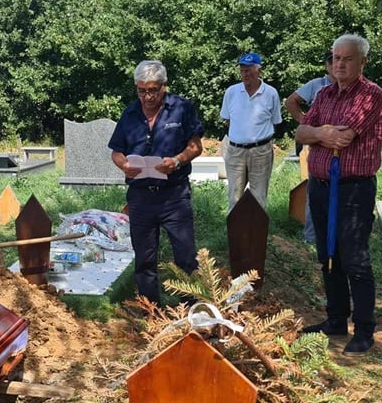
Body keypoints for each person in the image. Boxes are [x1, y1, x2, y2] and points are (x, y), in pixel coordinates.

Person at [295, 33, 382, 354]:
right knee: (327, 255)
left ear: (362, 62)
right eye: (336, 58)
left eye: (347, 59)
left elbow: (344, 137)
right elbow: (301, 132)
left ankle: (364, 329)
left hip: (353, 189)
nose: (340, 64)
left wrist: (318, 133)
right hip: (320, 187)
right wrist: (321, 132)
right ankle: (335, 318)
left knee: (354, 259)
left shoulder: (371, 94)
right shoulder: (324, 94)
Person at [108, 59, 205, 306]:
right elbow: (116, 151)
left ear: (164, 86)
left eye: (152, 90)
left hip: (174, 196)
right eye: (141, 91)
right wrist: (124, 165)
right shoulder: (130, 114)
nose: (147, 97)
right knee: (144, 259)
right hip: (140, 197)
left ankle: (191, 310)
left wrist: (177, 161)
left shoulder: (182, 108)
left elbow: (196, 146)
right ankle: (150, 311)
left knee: (186, 257)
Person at [220, 52, 282, 210]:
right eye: (242, 70)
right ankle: (236, 227)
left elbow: (275, 122)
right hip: (235, 151)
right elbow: (228, 120)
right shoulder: (231, 92)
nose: (245, 74)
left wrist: (257, 137)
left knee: (258, 198)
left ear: (258, 70)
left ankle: (257, 227)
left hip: (261, 151)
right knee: (234, 197)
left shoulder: (271, 93)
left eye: (248, 70)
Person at [286, 51, 335, 243]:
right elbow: (291, 101)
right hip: (317, 147)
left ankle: (337, 238)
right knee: (314, 192)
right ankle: (311, 238)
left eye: (339, 60)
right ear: (326, 66)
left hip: (343, 148)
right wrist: (305, 122)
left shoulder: (356, 87)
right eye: (331, 62)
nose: (335, 65)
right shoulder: (317, 85)